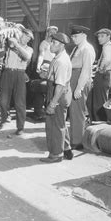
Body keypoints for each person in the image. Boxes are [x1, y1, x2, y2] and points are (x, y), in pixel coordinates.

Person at [0, 26, 34, 135]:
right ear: (21, 34)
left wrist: (16, 45)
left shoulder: (29, 49)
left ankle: (20, 127)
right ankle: (3, 120)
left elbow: (26, 57)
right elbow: (4, 48)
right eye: (26, 36)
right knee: (3, 101)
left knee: (20, 103)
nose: (27, 39)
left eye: (29, 39)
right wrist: (1, 62)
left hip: (19, 74)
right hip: (7, 73)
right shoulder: (10, 44)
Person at [40, 32, 73, 163]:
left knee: (54, 126)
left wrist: (52, 104)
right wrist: (45, 75)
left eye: (54, 43)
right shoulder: (58, 57)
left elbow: (59, 85)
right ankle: (66, 149)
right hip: (56, 91)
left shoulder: (61, 61)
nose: (51, 45)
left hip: (57, 94)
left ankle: (56, 154)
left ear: (62, 45)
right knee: (60, 122)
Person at [68, 25, 96, 150]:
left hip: (80, 79)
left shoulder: (87, 49)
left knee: (77, 111)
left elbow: (86, 70)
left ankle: (78, 142)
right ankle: (74, 137)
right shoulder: (77, 48)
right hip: (73, 78)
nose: (73, 38)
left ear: (84, 35)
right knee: (73, 111)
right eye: (72, 36)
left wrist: (79, 88)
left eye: (76, 36)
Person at [87, 28, 111, 122]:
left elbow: (107, 59)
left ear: (108, 36)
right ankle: (94, 120)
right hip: (107, 76)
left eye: (102, 36)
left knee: (99, 102)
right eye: (98, 36)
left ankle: (100, 122)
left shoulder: (107, 47)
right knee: (92, 100)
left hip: (103, 76)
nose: (99, 39)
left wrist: (100, 69)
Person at [30, 26, 58, 121]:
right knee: (41, 87)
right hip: (45, 66)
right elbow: (41, 55)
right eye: (50, 32)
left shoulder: (57, 44)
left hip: (55, 66)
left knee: (51, 88)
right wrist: (39, 66)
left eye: (54, 32)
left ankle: (48, 110)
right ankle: (38, 111)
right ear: (47, 32)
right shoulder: (44, 43)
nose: (52, 34)